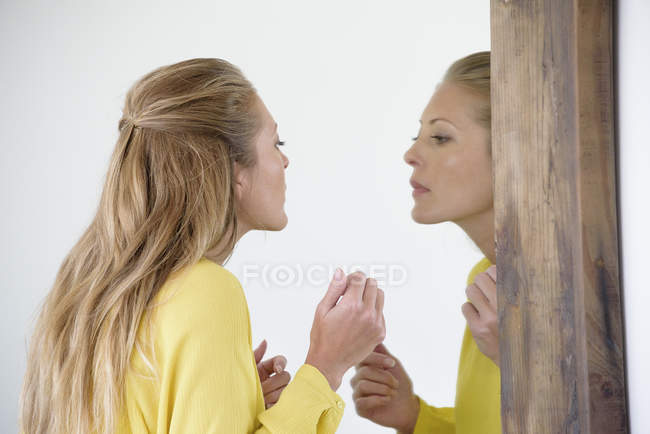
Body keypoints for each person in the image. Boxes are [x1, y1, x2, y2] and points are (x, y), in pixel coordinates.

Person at [19, 58, 390, 434]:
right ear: (234, 171)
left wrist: (235, 403)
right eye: (277, 143)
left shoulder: (87, 288)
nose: (285, 160)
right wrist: (326, 369)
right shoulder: (204, 291)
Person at [350, 51, 501, 433]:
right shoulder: (487, 281)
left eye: (440, 137)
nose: (411, 154)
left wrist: (522, 363)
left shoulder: (569, 288)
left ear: (514, 151)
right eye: (417, 135)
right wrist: (415, 418)